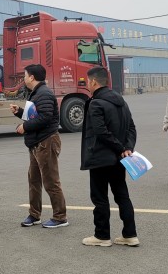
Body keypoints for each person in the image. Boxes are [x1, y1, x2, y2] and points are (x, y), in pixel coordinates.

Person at [80, 67, 139, 247]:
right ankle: (130, 234)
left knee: (100, 198)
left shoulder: (96, 103)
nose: (87, 84)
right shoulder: (121, 101)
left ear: (93, 82)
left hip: (100, 157)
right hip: (120, 158)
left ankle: (102, 235)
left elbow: (100, 132)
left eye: (88, 81)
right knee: (122, 195)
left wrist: (121, 148)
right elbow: (131, 128)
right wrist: (127, 148)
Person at [10, 64, 69, 228]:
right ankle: (34, 215)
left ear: (32, 77)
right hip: (37, 143)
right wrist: (19, 112)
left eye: (25, 75)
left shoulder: (43, 93)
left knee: (51, 181)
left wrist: (25, 127)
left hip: (46, 142)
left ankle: (60, 217)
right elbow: (34, 115)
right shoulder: (36, 93)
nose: (24, 79)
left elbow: (45, 118)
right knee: (34, 180)